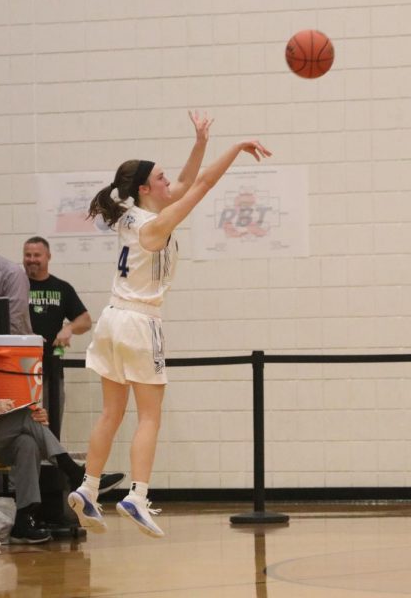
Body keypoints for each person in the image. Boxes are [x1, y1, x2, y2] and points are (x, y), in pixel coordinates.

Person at [68, 111, 271, 538]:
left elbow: (185, 181)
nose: (168, 181)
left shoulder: (128, 213)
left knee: (111, 412)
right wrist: (233, 149)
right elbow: (201, 186)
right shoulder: (157, 226)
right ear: (144, 188)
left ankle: (87, 487)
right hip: (140, 323)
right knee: (149, 417)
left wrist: (200, 142)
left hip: (110, 319)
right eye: (160, 178)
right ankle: (137, 496)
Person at [0, 314, 124, 543]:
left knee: (27, 442)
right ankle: (75, 473)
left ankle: (24, 520)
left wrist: (4, 413)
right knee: (25, 417)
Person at [23, 236, 92, 440]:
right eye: (28, 255)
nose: (32, 259)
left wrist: (69, 328)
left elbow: (86, 320)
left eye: (37, 255)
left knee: (51, 424)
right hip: (21, 369)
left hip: (51, 368)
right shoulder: (15, 285)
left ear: (48, 257)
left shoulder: (61, 288)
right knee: (24, 425)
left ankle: (52, 466)